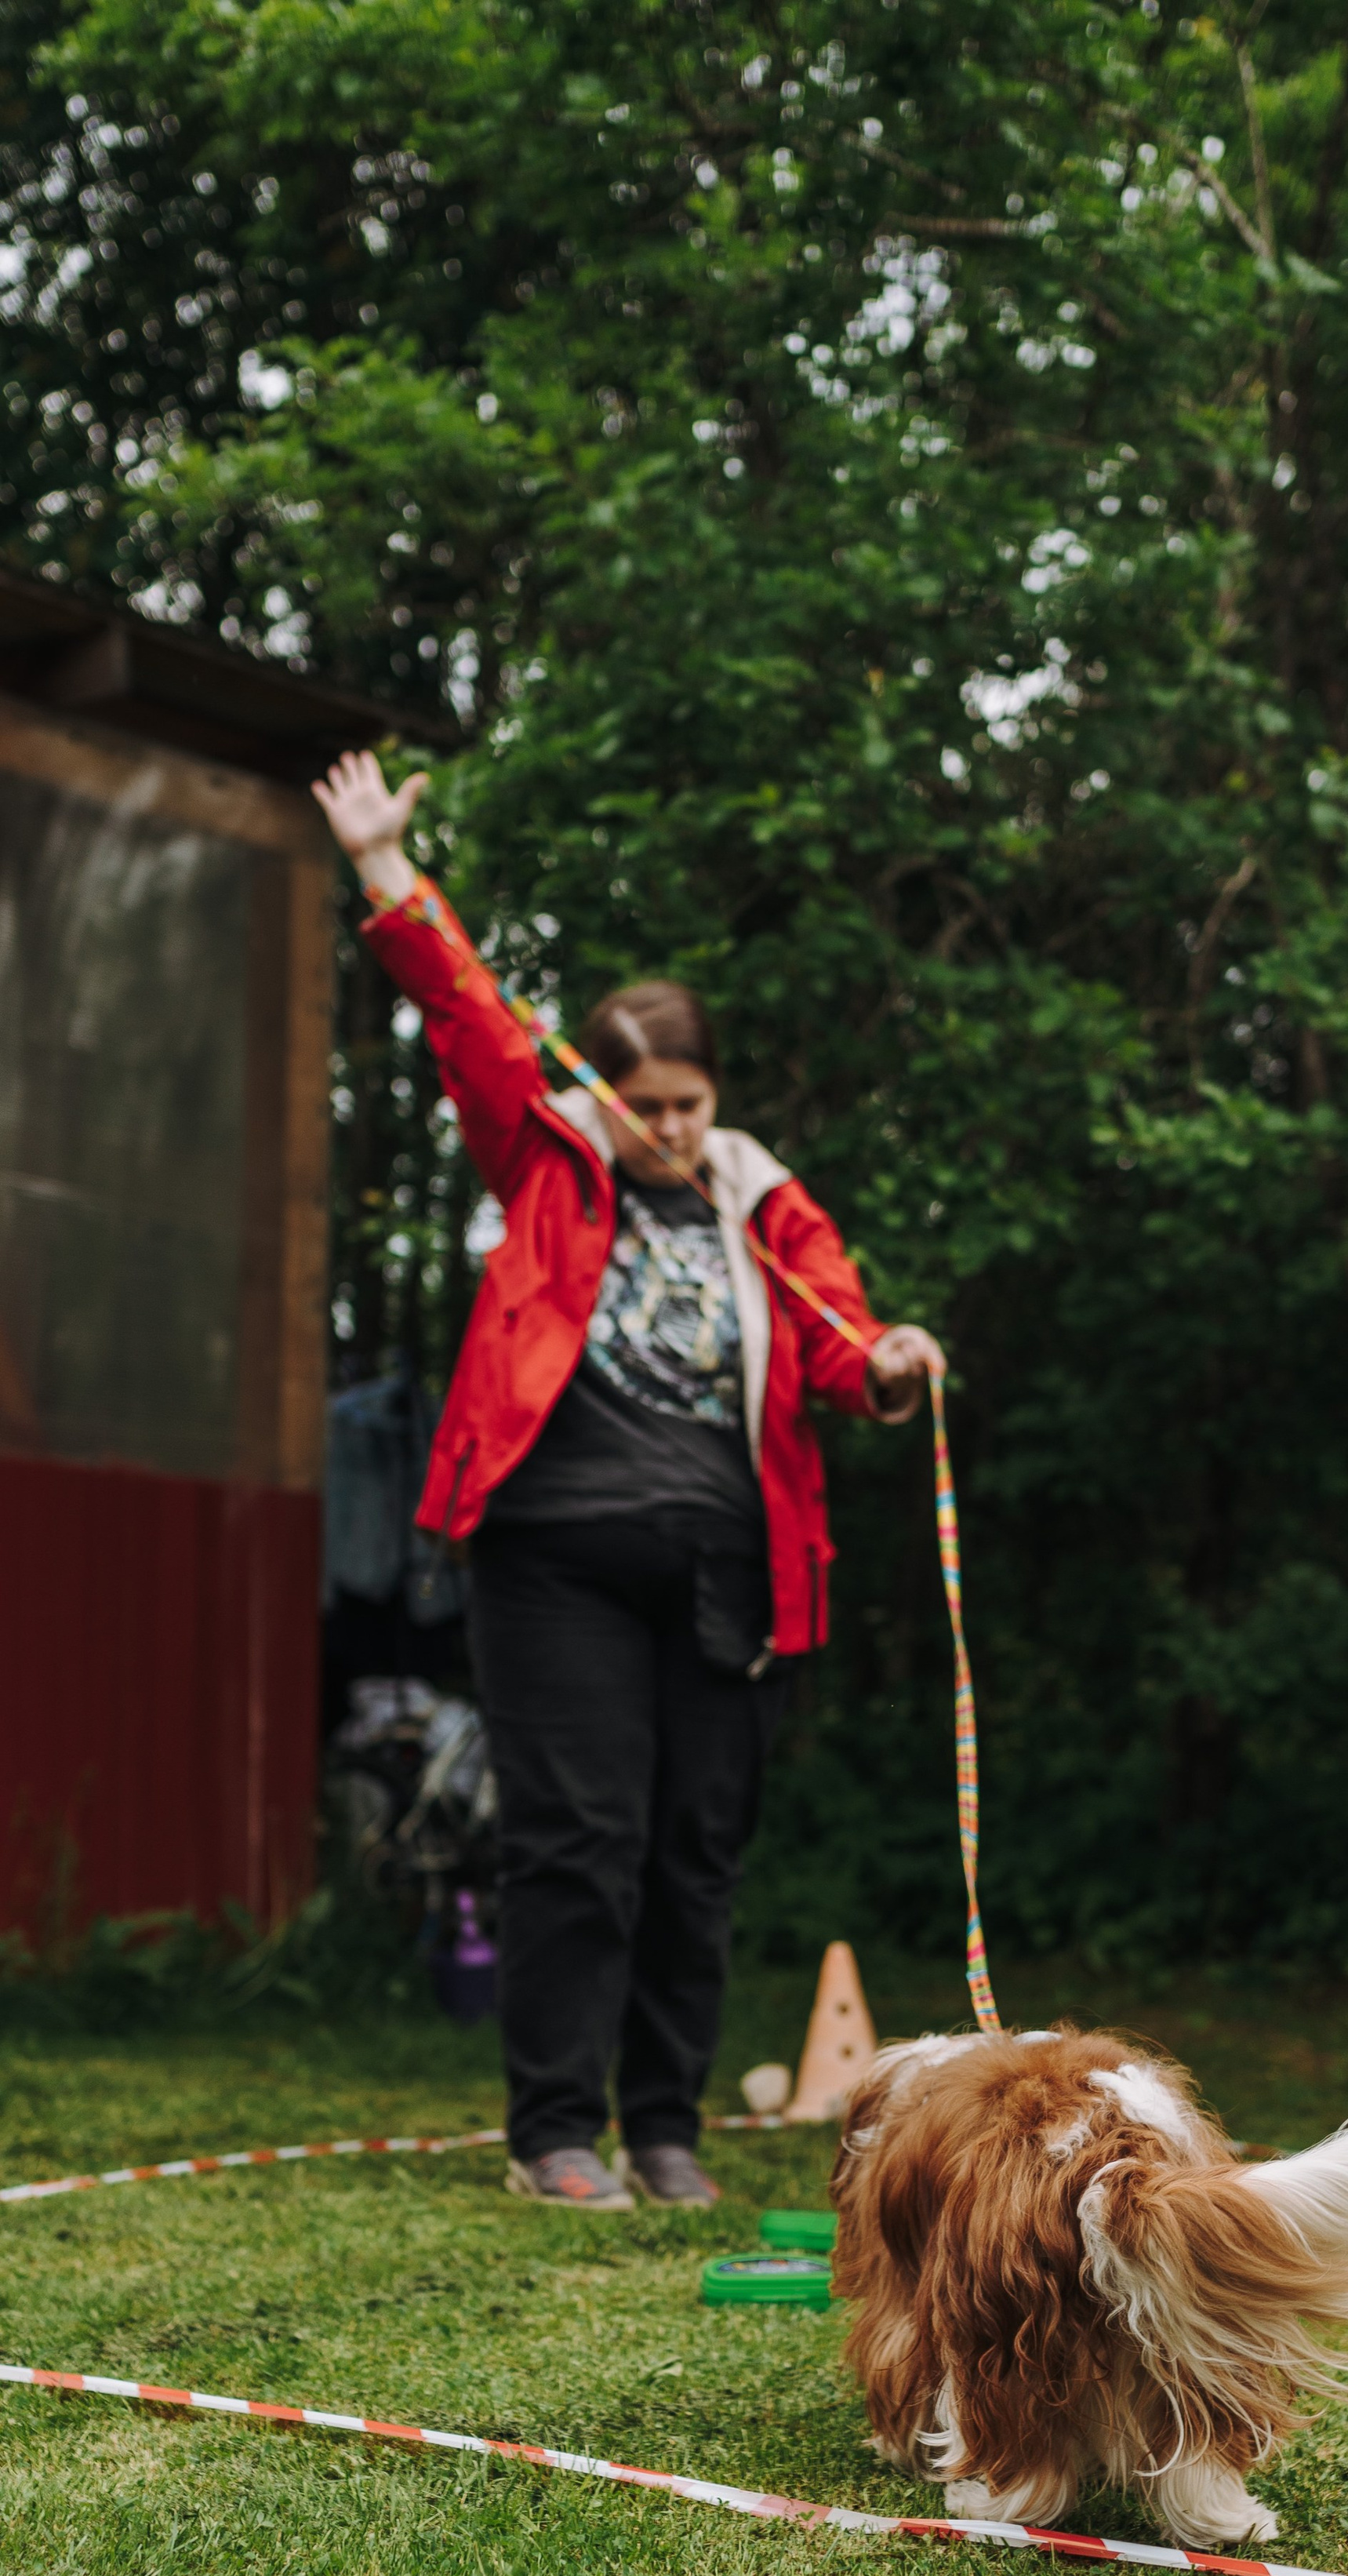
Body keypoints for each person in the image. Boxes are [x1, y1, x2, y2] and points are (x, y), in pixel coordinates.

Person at [313, 751, 943, 2210]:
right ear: (602, 1092)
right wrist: (387, 873)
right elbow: (473, 1021)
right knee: (578, 1841)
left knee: (693, 1852)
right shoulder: (545, 1163)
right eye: (641, 1100)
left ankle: (666, 2129)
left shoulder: (762, 1199)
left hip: (735, 1572)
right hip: (556, 1561)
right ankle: (556, 2135)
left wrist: (896, 1359)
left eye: (688, 1100)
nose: (663, 1125)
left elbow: (846, 1340)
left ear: (716, 1096)